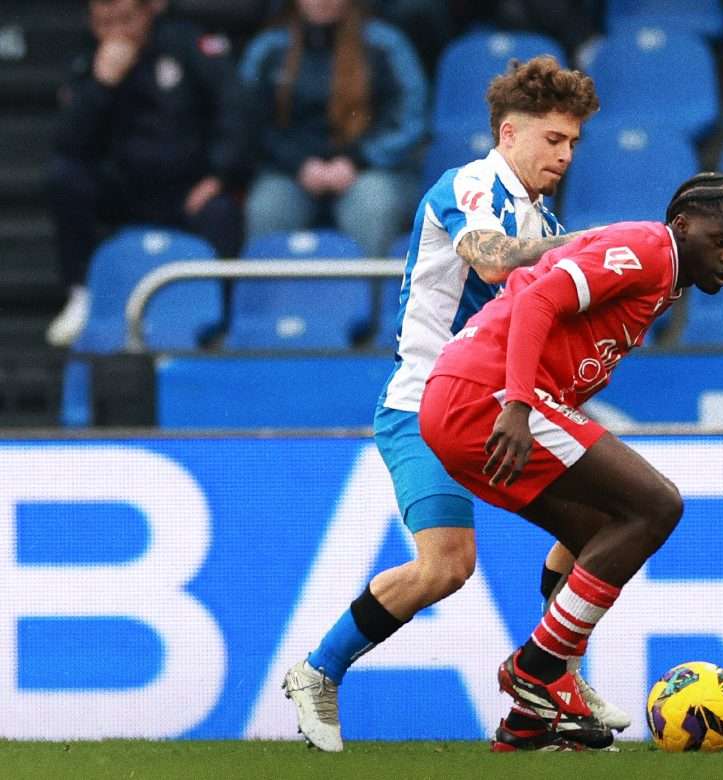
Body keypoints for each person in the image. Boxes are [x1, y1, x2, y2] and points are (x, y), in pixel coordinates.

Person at [281, 54, 631, 752]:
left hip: (496, 409)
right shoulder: (471, 186)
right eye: (552, 140)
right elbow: (494, 259)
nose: (564, 155)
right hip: (425, 408)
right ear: (509, 134)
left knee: (602, 522)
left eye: (572, 144)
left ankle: (550, 684)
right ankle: (318, 671)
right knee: (447, 566)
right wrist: (595, 247)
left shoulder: (540, 214)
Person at [418, 173, 723, 749]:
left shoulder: (664, 277)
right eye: (721, 240)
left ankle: (530, 720)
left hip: (463, 399)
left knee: (603, 532)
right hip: (487, 395)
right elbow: (537, 301)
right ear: (683, 225)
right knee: (656, 504)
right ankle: (539, 669)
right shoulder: (652, 250)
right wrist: (520, 404)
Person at [46, 0, 247, 347]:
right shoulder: (85, 59)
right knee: (64, 178)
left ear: (148, 11)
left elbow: (235, 106)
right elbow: (66, 142)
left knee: (222, 212)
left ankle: (219, 322)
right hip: (123, 192)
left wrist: (219, 175)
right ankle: (82, 295)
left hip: (188, 191)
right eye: (104, 23)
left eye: (125, 19)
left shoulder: (187, 45)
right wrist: (101, 84)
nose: (116, 32)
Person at [238, 0, 426, 260]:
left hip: (369, 169)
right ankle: (270, 300)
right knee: (267, 208)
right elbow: (250, 120)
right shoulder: (269, 47)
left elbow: (410, 118)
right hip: (291, 171)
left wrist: (356, 160)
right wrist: (299, 164)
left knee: (372, 207)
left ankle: (374, 300)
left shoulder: (386, 44)